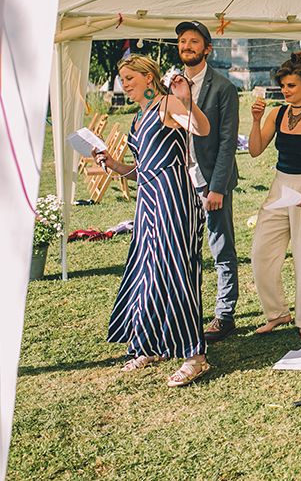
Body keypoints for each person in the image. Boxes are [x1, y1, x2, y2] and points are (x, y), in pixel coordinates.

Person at [96, 55, 211, 387]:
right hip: (147, 205)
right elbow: (142, 169)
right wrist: (115, 166)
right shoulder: (137, 117)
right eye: (122, 79)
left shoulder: (166, 104)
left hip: (175, 200)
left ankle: (195, 357)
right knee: (145, 272)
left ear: (149, 77)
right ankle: (150, 345)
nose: (125, 84)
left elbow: (201, 128)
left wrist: (187, 102)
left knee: (177, 272)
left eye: (130, 78)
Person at [248, 52, 301, 341]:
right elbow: (255, 150)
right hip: (280, 185)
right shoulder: (277, 113)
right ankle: (277, 312)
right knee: (261, 251)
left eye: (291, 85)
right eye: (283, 85)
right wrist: (256, 120)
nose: (285, 90)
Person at [176, 20, 240, 343]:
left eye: (193, 41)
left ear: (207, 49)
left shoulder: (224, 88)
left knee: (220, 249)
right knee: (185, 250)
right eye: (183, 41)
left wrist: (216, 187)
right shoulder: (171, 85)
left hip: (211, 181)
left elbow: (228, 142)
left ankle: (224, 315)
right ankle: (186, 313)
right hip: (179, 181)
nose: (186, 46)